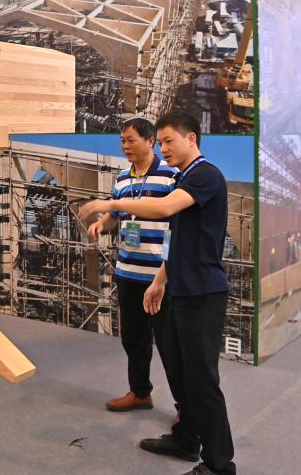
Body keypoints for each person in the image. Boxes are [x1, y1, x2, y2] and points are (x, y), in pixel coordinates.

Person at [80, 111, 236, 475]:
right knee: (183, 372)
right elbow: (176, 238)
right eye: (161, 142)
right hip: (179, 287)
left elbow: (164, 208)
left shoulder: (205, 175)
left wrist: (111, 204)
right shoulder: (184, 177)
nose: (163, 148)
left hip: (202, 293)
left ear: (191, 138)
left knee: (202, 381)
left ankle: (219, 466)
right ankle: (186, 439)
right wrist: (160, 280)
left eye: (168, 141)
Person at [86, 117, 179, 414]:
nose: (125, 146)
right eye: (122, 141)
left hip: (159, 277)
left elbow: (177, 222)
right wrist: (102, 224)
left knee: (169, 345)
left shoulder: (171, 176)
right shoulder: (123, 178)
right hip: (127, 272)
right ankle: (140, 392)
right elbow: (116, 214)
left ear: (150, 142)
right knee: (133, 339)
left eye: (131, 140)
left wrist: (166, 274)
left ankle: (185, 409)